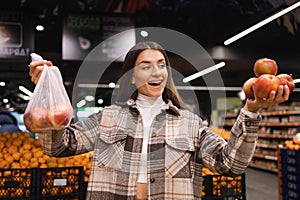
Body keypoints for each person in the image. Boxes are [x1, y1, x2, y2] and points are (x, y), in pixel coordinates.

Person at [28, 41, 290, 199]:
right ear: (131, 76)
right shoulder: (107, 118)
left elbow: (231, 164)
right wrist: (48, 95)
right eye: (145, 66)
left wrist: (252, 110)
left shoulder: (190, 123)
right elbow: (58, 147)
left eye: (161, 64)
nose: (156, 72)